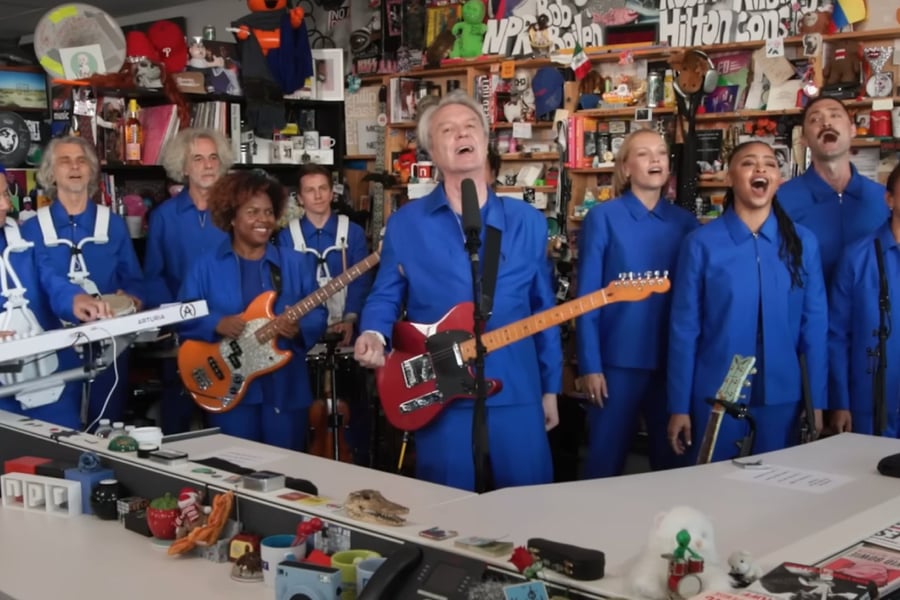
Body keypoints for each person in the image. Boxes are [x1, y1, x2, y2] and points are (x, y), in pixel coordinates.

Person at [354, 90, 563, 491]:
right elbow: (385, 294)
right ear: (433, 150)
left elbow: (544, 311)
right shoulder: (406, 224)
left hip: (517, 389)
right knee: (447, 514)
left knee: (531, 511)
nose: (460, 134)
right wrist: (373, 332)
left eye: (470, 126)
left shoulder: (527, 222)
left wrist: (551, 387)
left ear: (485, 141)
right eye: (447, 129)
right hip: (440, 393)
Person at [667, 140, 827, 463]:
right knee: (715, 492)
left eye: (769, 164)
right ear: (729, 177)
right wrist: (678, 406)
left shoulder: (803, 243)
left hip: (783, 395)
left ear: (778, 179)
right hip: (715, 394)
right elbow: (684, 331)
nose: (760, 169)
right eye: (749, 163)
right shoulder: (701, 244)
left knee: (777, 494)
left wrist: (817, 403)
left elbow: (815, 327)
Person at [576, 128, 699, 478]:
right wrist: (590, 364)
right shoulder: (603, 218)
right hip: (616, 363)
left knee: (673, 463)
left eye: (661, 152)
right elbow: (586, 298)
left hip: (670, 364)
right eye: (644, 153)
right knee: (603, 462)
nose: (656, 159)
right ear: (626, 167)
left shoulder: (685, 223)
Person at [177, 170, 327, 449]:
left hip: (285, 389)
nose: (264, 219)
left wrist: (298, 330)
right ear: (232, 217)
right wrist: (215, 323)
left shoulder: (295, 263)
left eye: (269, 212)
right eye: (253, 212)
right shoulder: (205, 266)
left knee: (288, 476)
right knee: (234, 472)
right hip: (229, 390)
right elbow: (183, 315)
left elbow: (318, 313)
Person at [21, 136, 145, 428]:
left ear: (91, 171)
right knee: (59, 429)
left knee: (106, 425)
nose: (74, 167)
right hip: (54, 351)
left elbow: (135, 281)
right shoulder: (31, 229)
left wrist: (134, 298)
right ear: (51, 173)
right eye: (65, 161)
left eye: (81, 161)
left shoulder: (114, 224)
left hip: (110, 347)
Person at [0, 165, 110, 428]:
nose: (5, 204)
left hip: (50, 386)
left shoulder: (21, 241)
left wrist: (77, 301)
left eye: (5, 193)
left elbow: (51, 281)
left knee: (65, 458)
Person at [144, 128, 234, 433]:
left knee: (226, 427)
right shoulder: (164, 217)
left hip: (230, 334)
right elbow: (154, 276)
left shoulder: (236, 213)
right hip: (180, 338)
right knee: (177, 427)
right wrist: (174, 319)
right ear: (183, 167)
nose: (208, 165)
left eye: (213, 158)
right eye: (198, 158)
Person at [778, 97, 888, 284]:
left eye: (835, 115)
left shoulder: (884, 199)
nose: (826, 122)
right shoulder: (780, 201)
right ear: (803, 139)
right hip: (807, 311)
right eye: (815, 119)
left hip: (873, 311)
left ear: (853, 129)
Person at [828, 162, 900, 436]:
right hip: (867, 405)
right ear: (889, 199)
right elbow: (836, 335)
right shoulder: (857, 257)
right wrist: (840, 402)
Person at [277, 164, 371, 346]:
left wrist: (350, 319)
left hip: (347, 333)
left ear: (331, 193)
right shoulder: (286, 237)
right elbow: (288, 290)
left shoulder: (353, 232)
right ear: (300, 199)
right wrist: (303, 327)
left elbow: (361, 282)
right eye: (310, 190)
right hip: (302, 334)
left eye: (323, 188)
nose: (318, 196)